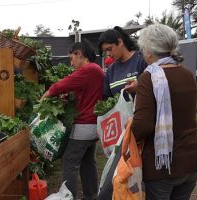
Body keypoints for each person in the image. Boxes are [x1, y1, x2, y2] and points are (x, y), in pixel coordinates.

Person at [132, 23, 197, 200]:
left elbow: (143, 125)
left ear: (149, 51)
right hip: (192, 159)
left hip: (164, 166)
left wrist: (126, 133)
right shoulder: (187, 73)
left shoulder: (149, 77)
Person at [40, 40, 104, 200]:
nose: (71, 63)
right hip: (92, 126)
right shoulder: (94, 70)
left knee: (70, 162)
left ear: (79, 54)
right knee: (88, 162)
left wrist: (48, 94)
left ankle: (68, 197)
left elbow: (64, 83)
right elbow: (85, 94)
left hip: (83, 126)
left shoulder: (88, 69)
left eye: (71, 58)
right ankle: (91, 196)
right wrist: (69, 97)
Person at [97, 26, 147, 200]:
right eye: (105, 52)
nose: (108, 54)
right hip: (121, 133)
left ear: (120, 42)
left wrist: (139, 85)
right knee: (119, 175)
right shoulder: (111, 71)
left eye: (110, 49)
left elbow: (155, 85)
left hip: (142, 129)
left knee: (139, 174)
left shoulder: (141, 61)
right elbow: (106, 100)